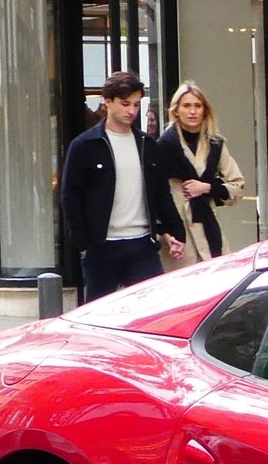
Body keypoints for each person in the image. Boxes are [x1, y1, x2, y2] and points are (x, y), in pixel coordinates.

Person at [58, 70, 186, 299]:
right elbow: (71, 196)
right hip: (102, 247)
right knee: (98, 318)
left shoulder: (147, 145)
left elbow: (160, 193)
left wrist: (173, 231)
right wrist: (85, 244)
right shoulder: (85, 146)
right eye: (125, 104)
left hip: (142, 245)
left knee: (152, 312)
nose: (132, 111)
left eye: (136, 105)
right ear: (108, 102)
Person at [157, 81, 250, 266]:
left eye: (197, 106)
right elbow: (154, 196)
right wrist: (165, 233)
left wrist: (206, 188)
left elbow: (237, 185)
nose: (192, 111)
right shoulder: (162, 147)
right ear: (176, 111)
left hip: (209, 228)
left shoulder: (215, 145)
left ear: (205, 111)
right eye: (186, 106)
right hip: (177, 232)